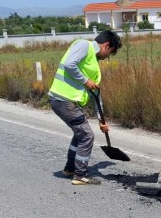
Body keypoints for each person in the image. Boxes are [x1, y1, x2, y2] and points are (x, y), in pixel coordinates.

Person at [48, 30, 122, 185]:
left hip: (69, 102)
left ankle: (70, 169)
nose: (108, 57)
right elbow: (69, 64)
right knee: (87, 136)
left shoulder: (93, 63)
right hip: (63, 99)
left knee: (80, 134)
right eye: (111, 52)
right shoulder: (84, 45)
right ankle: (80, 175)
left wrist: (101, 120)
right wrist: (85, 80)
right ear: (107, 45)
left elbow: (96, 93)